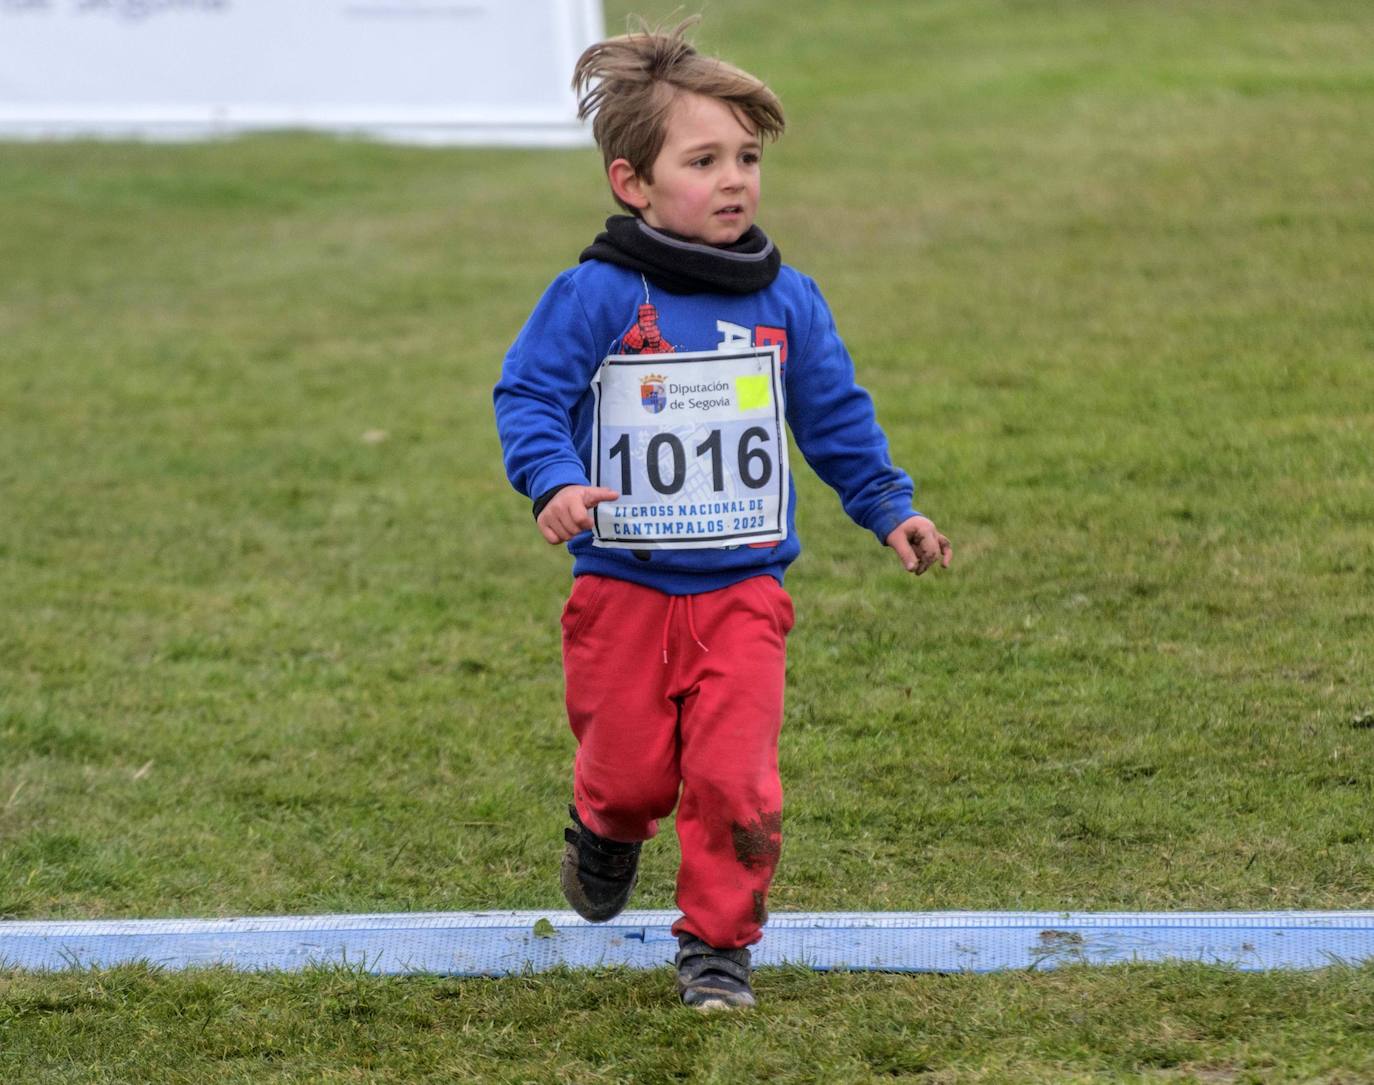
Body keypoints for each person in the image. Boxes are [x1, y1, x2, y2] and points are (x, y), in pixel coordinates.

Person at [493, 18, 952, 1011]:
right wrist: (553, 479)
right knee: (628, 773)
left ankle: (717, 946)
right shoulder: (595, 294)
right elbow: (527, 395)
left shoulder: (789, 298)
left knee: (736, 782)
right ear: (633, 183)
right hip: (620, 589)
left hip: (744, 592)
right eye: (704, 160)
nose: (736, 178)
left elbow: (834, 415)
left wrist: (888, 506)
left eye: (747, 157)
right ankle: (605, 827)